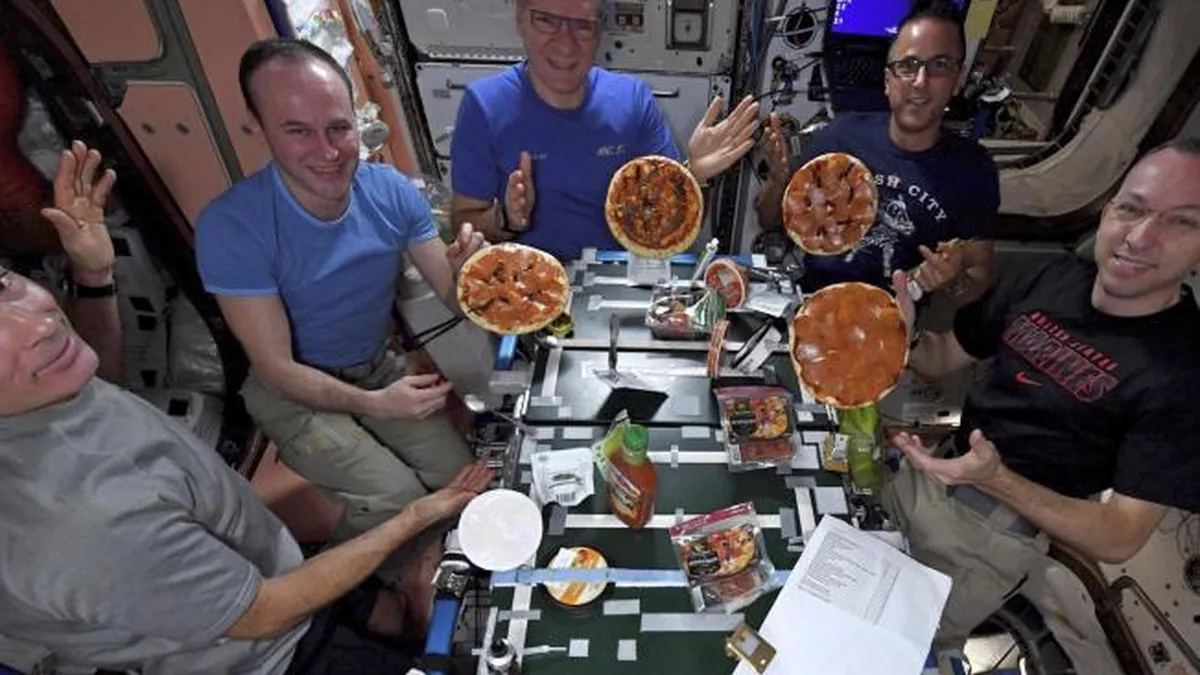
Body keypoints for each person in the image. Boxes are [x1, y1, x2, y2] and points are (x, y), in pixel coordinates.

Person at [0, 142, 495, 675]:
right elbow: (264, 613)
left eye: (3, 286)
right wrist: (418, 518)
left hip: (270, 557)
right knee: (404, 511)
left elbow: (101, 382)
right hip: (269, 652)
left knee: (401, 610)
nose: (42, 321)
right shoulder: (75, 526)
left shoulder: (42, 393)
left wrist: (92, 274)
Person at [884, 138, 1200, 662]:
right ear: (1107, 212)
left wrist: (994, 478)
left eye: (1181, 222)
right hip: (924, 477)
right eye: (1132, 209)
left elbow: (1119, 537)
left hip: (990, 537)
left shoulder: (1184, 372)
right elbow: (940, 359)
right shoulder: (1050, 278)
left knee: (892, 649)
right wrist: (904, 332)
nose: (1140, 237)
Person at [196, 38, 487, 581]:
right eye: (298, 131)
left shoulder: (391, 191)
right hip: (292, 394)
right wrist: (379, 405)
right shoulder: (232, 226)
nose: (328, 151)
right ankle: (338, 596)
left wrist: (474, 271)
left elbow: (457, 298)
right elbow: (277, 369)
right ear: (258, 127)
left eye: (338, 128)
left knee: (462, 479)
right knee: (395, 498)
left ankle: (411, 565)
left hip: (376, 366)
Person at [449, 0, 761, 261]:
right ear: (520, 19)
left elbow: (673, 232)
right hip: (530, 283)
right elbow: (464, 220)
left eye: (582, 26)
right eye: (546, 20)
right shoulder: (485, 105)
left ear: (600, 32)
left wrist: (694, 176)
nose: (565, 43)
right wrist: (506, 218)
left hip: (621, 278)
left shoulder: (632, 100)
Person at [757, 0, 997, 301]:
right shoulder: (840, 135)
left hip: (893, 317)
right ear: (887, 80)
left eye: (939, 65)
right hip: (811, 304)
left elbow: (978, 279)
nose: (920, 82)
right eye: (908, 66)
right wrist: (778, 182)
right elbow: (769, 219)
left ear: (958, 79)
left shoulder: (973, 170)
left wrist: (954, 279)